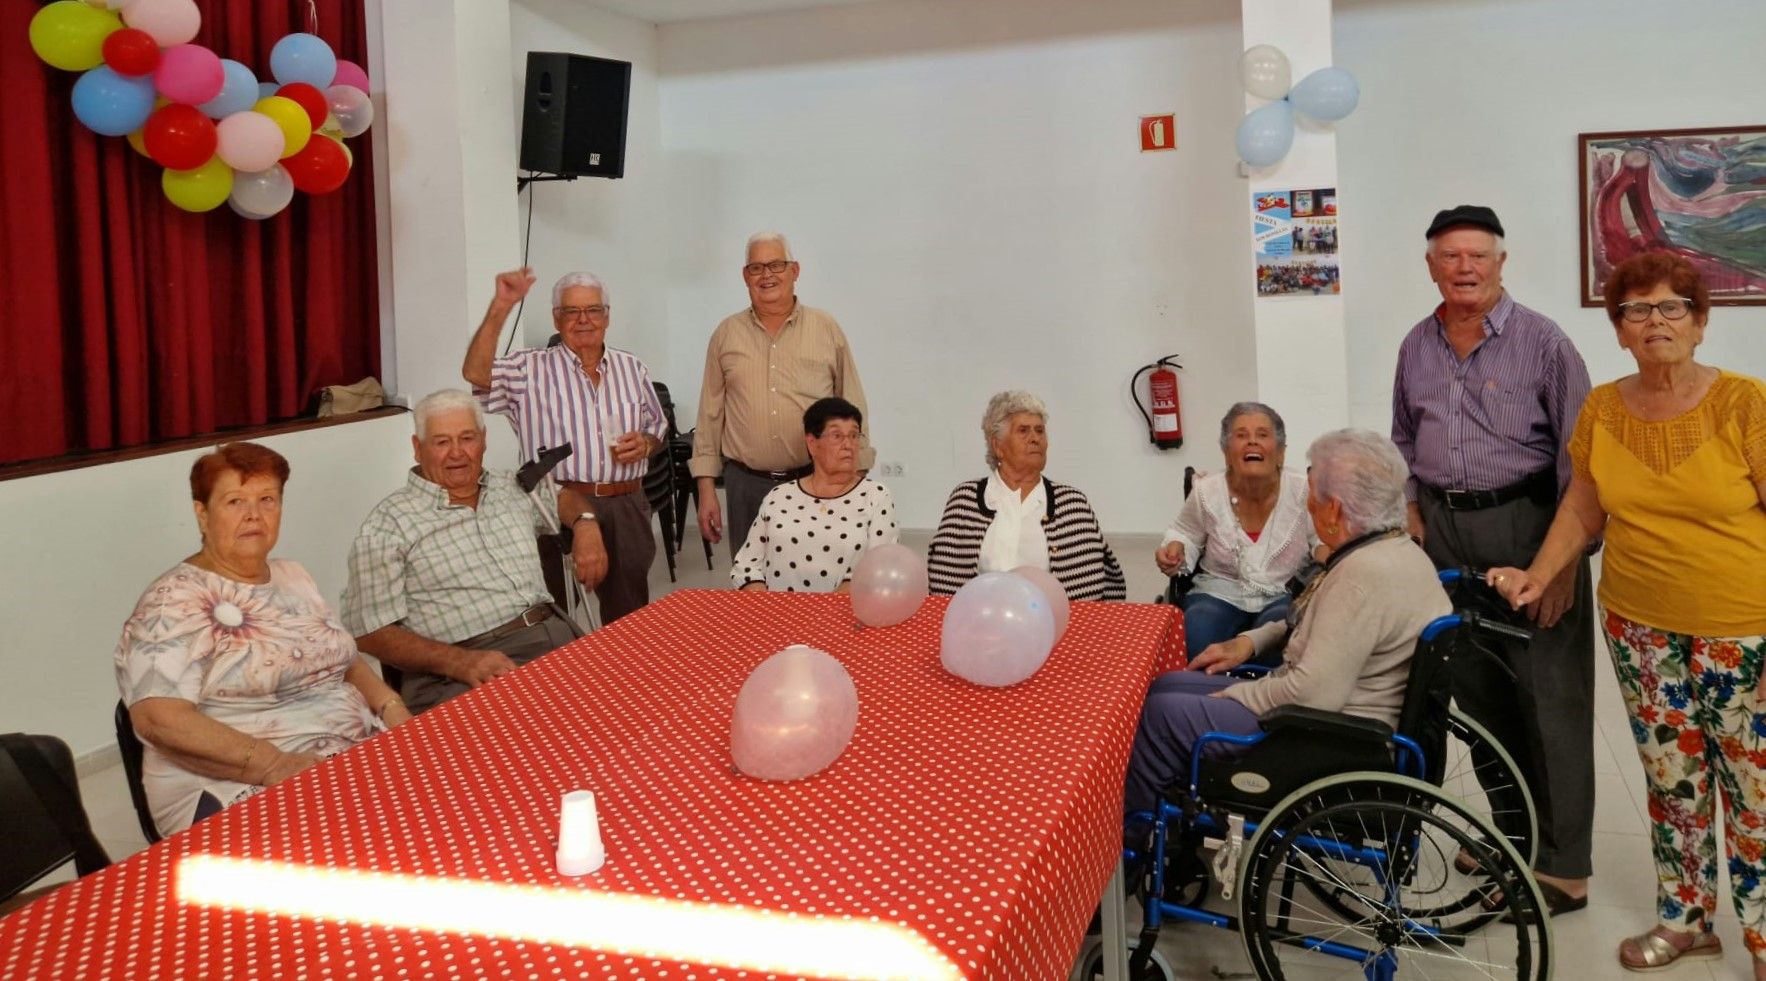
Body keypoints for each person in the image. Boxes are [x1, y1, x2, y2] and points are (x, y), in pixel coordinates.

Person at [1488, 252, 1766, 975]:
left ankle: (1765, 934)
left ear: (1701, 322)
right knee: (1673, 780)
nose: (1655, 322)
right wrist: (1538, 572)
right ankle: (1685, 918)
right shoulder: (1604, 407)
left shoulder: (1745, 403)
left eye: (1672, 307)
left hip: (1744, 628)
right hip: (1641, 627)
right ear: (1618, 330)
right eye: (1636, 311)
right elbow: (1584, 504)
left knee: (1756, 789)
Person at [1390, 204, 1595, 914]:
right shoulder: (1416, 344)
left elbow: (1583, 461)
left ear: (1501, 262)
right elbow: (1402, 438)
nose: (1465, 268)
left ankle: (1565, 867)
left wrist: (1563, 562)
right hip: (1447, 532)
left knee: (1550, 698)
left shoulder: (1544, 342)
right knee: (1478, 693)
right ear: (1431, 266)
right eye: (1451, 257)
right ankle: (1514, 831)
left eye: (1478, 256)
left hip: (1531, 526)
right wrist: (1413, 511)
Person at [1123, 430, 1448, 817]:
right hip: (1340, 712)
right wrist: (1251, 641)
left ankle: (1134, 835)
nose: (1308, 505)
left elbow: (1313, 693)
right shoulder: (1390, 549)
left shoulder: (1363, 575)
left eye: (1313, 494)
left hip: (1327, 733)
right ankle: (1172, 807)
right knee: (1165, 685)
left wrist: (1241, 694)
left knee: (1161, 715)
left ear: (1334, 510)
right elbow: (1319, 621)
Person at [115, 443, 408, 837]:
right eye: (235, 501)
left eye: (267, 499)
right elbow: (158, 720)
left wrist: (393, 709)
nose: (254, 514)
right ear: (202, 514)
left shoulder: (293, 576)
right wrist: (273, 764)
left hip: (344, 756)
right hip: (242, 781)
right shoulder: (175, 601)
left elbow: (346, 661)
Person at [342, 390, 586, 713]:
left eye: (467, 438)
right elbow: (369, 632)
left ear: (483, 440)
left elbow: (562, 499)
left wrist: (587, 525)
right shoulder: (387, 525)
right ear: (418, 448)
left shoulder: (512, 486)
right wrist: (460, 662)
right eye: (442, 442)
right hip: (462, 669)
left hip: (556, 638)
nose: (457, 453)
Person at [462, 268, 668, 624]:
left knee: (629, 616)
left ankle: (623, 678)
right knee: (553, 615)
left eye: (593, 310)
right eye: (572, 311)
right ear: (556, 318)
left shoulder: (632, 367)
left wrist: (645, 443)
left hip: (626, 503)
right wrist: (502, 307)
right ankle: (561, 678)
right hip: (554, 506)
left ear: (607, 316)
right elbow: (476, 375)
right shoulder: (528, 368)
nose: (583, 320)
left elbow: (657, 426)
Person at [691, 231, 873, 557]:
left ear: (795, 270)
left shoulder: (825, 328)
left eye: (776, 264)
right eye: (757, 267)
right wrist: (706, 491)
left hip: (816, 480)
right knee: (753, 585)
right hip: (746, 486)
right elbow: (709, 416)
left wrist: (854, 476)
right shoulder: (726, 335)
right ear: (745, 276)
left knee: (818, 581)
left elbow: (853, 404)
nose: (767, 275)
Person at [1155, 402, 1325, 660]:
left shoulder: (1304, 491)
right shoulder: (1206, 491)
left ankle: (1263, 698)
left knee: (1282, 634)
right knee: (1198, 628)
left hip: (1284, 590)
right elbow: (1185, 533)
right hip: (1219, 590)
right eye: (1241, 435)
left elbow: (1321, 538)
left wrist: (1328, 554)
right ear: (1226, 451)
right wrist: (1176, 548)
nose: (1252, 442)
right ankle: (1203, 695)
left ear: (1280, 452)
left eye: (1263, 435)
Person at [927, 391, 1125, 601]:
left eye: (1040, 431)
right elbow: (943, 580)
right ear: (997, 446)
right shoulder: (965, 499)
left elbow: (1096, 589)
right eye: (1023, 431)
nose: (1035, 438)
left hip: (1054, 625)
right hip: (980, 623)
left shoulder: (1072, 503)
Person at [732, 397, 898, 592]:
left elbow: (878, 568)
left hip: (841, 615)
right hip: (775, 613)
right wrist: (767, 608)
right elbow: (746, 565)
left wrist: (822, 616)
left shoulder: (876, 496)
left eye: (854, 436)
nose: (848, 445)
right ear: (812, 443)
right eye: (837, 436)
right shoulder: (779, 495)